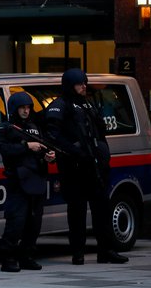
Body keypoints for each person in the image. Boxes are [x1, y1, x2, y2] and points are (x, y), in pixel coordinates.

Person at [45, 68, 129, 265]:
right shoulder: (60, 105)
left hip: (94, 166)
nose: (83, 86)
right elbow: (53, 136)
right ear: (69, 85)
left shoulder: (87, 104)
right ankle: (78, 252)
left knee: (102, 208)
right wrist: (74, 151)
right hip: (74, 168)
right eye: (79, 83)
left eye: (84, 82)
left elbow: (98, 133)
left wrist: (101, 154)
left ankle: (106, 251)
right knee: (77, 212)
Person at [0, 92, 55, 272]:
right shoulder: (5, 128)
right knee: (16, 221)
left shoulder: (35, 126)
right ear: (15, 108)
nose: (26, 111)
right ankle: (8, 258)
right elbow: (4, 149)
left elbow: (45, 146)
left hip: (36, 178)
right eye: (22, 108)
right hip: (18, 180)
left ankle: (27, 256)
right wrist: (26, 146)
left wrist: (49, 156)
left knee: (34, 222)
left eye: (28, 107)